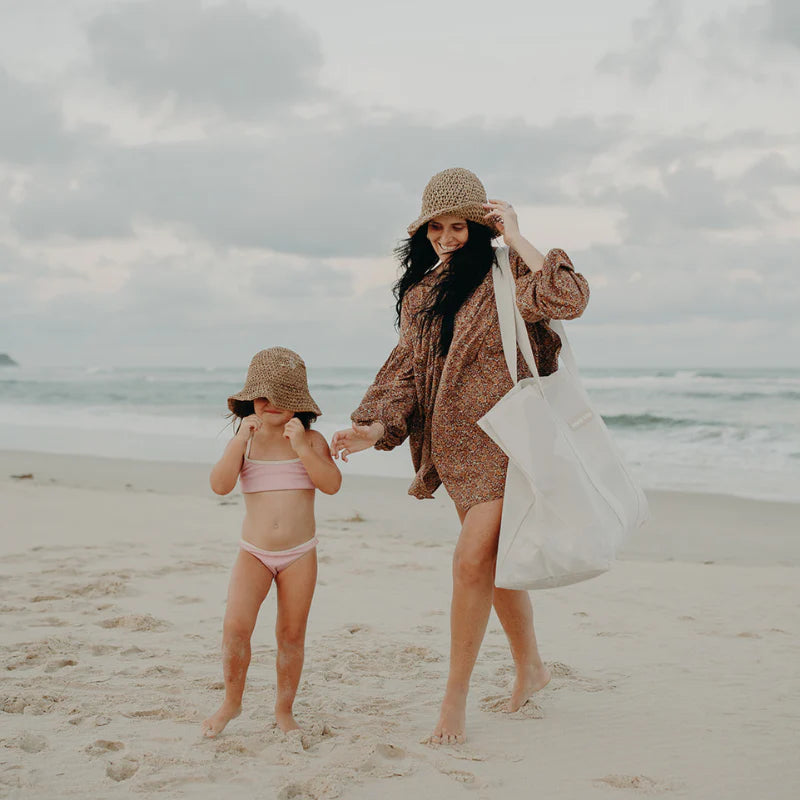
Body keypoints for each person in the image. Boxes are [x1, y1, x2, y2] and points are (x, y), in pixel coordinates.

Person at [330, 167, 589, 745]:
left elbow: (568, 298)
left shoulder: (509, 274)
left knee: (472, 563)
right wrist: (373, 428)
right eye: (436, 228)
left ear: (481, 226)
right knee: (494, 569)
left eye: (459, 227)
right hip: (456, 447)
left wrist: (517, 234)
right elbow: (408, 370)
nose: (447, 237)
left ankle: (454, 701)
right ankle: (533, 669)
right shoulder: (421, 294)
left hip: (511, 440)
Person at [202, 347, 341, 737]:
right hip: (254, 553)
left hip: (300, 555)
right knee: (235, 628)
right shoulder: (245, 440)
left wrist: (300, 448)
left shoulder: (311, 440)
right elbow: (219, 485)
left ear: (298, 400)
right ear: (250, 401)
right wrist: (236, 443)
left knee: (291, 634)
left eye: (281, 395)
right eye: (262, 396)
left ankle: (284, 711)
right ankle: (231, 702)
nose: (270, 404)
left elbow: (331, 485)